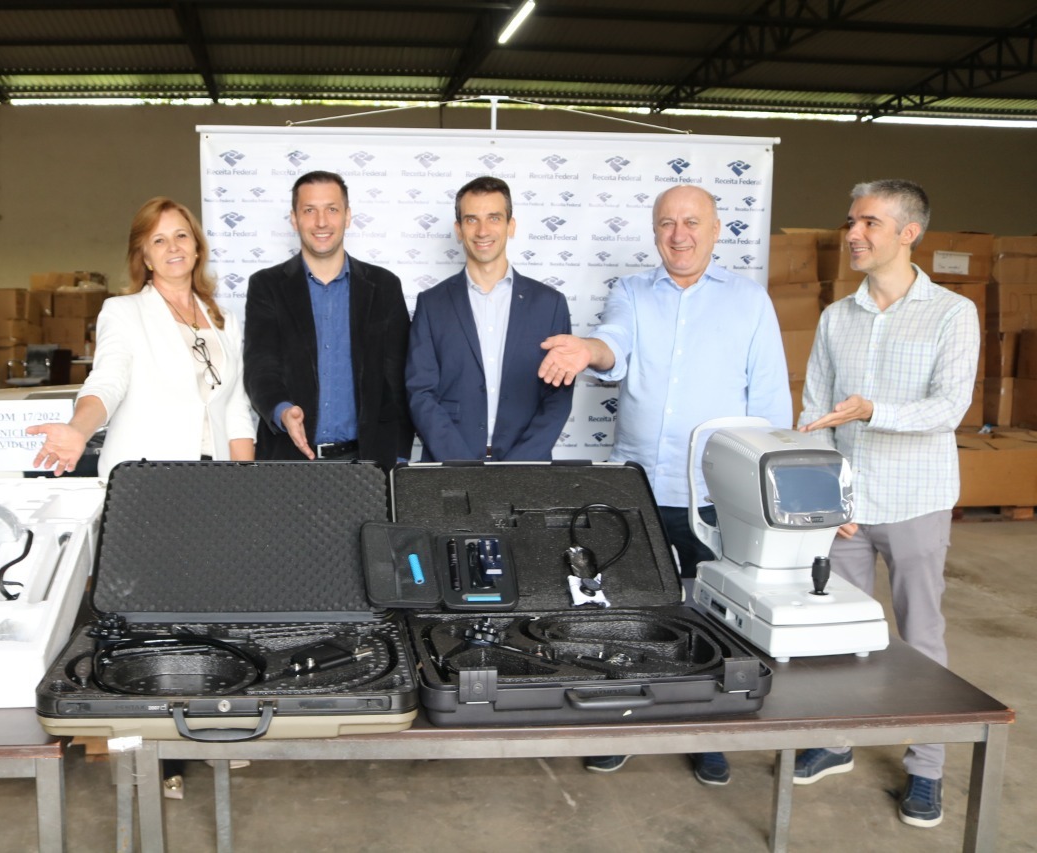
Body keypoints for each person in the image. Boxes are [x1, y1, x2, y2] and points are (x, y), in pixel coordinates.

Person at [536, 184, 791, 786]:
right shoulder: (631, 291)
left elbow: (771, 403)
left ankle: (707, 732)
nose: (679, 234)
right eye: (667, 223)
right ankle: (622, 724)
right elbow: (615, 343)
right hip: (637, 489)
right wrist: (588, 349)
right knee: (626, 615)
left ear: (716, 229)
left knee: (716, 620)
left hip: (715, 495)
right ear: (654, 231)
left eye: (692, 222)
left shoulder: (750, 302)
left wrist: (770, 493)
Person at [793, 180, 978, 829]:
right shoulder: (836, 317)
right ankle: (838, 739)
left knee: (920, 636)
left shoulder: (952, 313)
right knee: (837, 635)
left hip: (916, 501)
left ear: (908, 232)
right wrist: (828, 496)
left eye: (869, 223)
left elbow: (949, 407)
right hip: (846, 509)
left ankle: (926, 767)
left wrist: (874, 410)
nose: (853, 234)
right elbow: (815, 409)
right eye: (851, 222)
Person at [27, 197, 256, 479]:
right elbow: (108, 382)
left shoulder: (224, 319)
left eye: (181, 235)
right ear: (146, 258)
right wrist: (78, 429)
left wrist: (245, 480)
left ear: (197, 248)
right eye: (159, 240)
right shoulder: (123, 312)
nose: (173, 246)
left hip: (216, 477)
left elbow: (235, 408)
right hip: (146, 476)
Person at [243, 170, 413, 469]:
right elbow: (260, 368)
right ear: (294, 219)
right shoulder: (266, 286)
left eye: (332, 209)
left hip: (369, 464)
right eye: (310, 210)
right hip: (288, 463)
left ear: (347, 216)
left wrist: (397, 460)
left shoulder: (384, 286)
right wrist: (282, 411)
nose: (321, 222)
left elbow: (398, 381)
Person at [406, 176, 573, 461]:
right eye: (471, 220)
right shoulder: (431, 303)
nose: (483, 231)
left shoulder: (550, 304)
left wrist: (517, 468)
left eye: (494, 218)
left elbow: (558, 398)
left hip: (525, 468)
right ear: (459, 230)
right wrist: (461, 466)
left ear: (511, 225)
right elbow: (420, 392)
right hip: (449, 466)